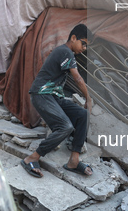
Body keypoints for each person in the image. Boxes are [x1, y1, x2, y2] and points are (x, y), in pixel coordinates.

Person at [21, 24, 94, 178]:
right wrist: (88, 98)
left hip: (54, 97)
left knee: (82, 114)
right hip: (42, 94)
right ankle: (32, 158)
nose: (84, 48)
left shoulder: (66, 53)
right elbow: (78, 79)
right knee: (65, 126)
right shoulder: (65, 52)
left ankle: (74, 160)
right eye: (84, 43)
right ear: (73, 38)